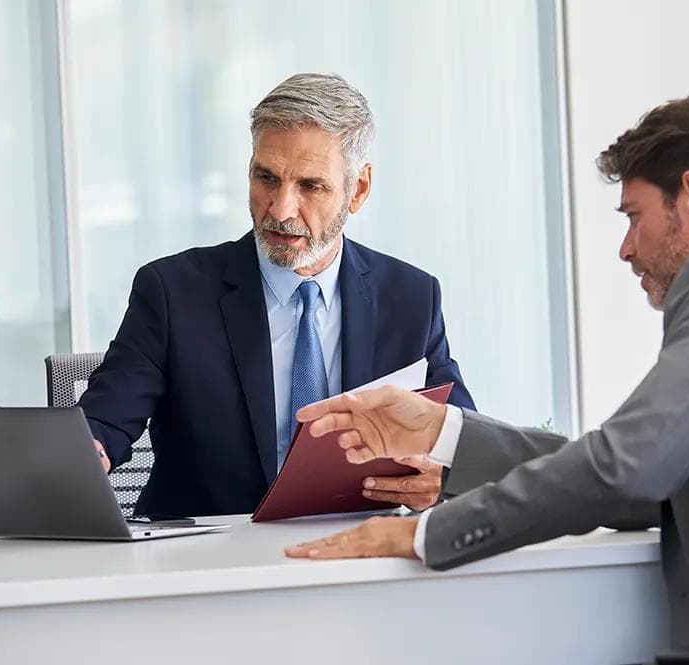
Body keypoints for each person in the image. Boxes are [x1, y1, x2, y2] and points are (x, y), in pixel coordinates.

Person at [286, 87, 689, 654]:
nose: (625, 248)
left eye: (633, 216)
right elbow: (646, 480)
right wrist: (443, 433)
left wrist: (420, 534)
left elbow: (625, 468)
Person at [78, 73, 475, 518]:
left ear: (357, 190)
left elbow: (462, 440)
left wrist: (441, 479)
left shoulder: (410, 297)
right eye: (266, 178)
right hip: (210, 563)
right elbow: (104, 423)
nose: (281, 209)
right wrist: (79, 460)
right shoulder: (172, 292)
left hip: (356, 559)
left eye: (310, 186)